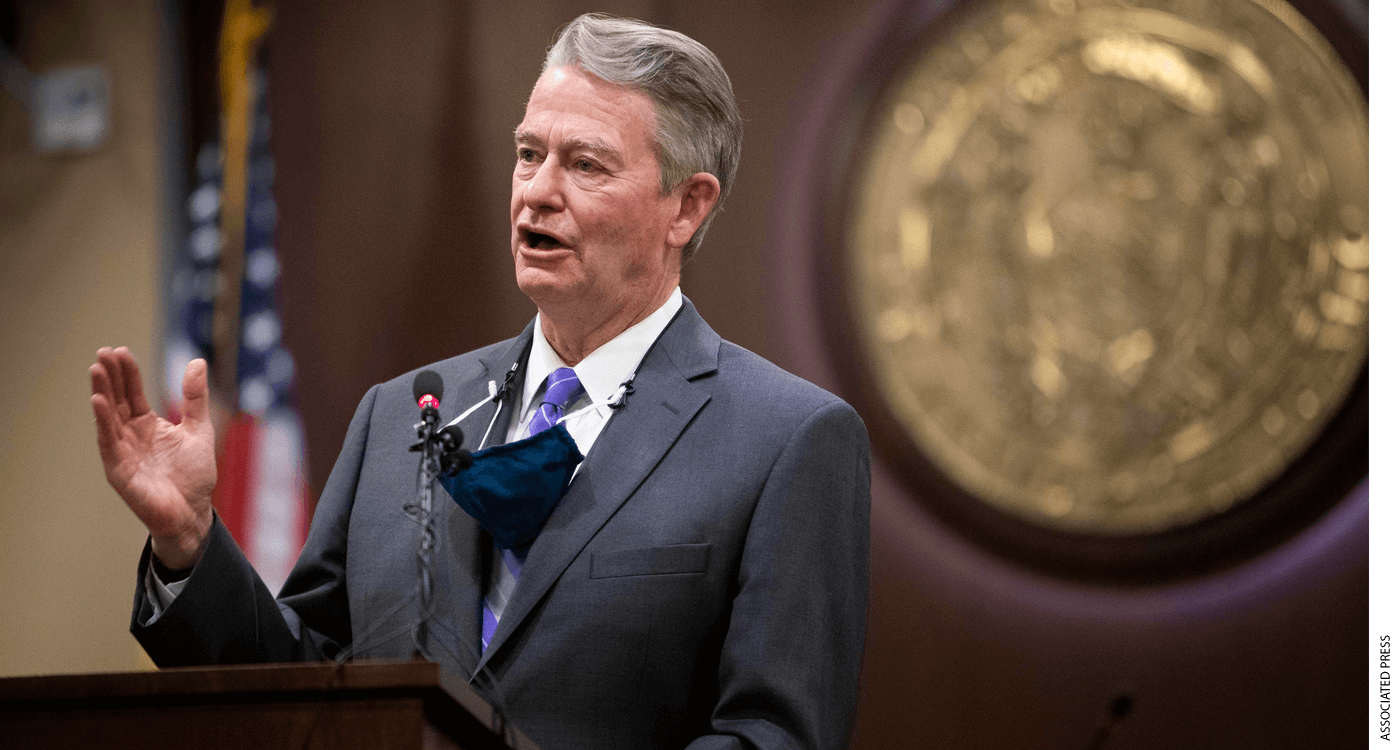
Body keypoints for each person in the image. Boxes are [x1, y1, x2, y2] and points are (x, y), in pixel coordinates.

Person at [90, 14, 869, 750]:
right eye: (529, 154)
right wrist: (189, 545)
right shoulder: (398, 416)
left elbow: (771, 736)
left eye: (586, 164)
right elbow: (305, 688)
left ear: (686, 208)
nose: (538, 190)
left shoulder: (785, 440)